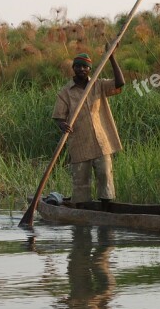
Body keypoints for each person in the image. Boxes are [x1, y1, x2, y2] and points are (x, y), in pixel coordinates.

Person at [52, 48, 125, 210]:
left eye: (85, 67)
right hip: (79, 143)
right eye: (78, 66)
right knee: (81, 184)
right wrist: (62, 124)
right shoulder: (65, 92)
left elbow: (120, 83)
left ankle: (106, 212)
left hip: (101, 142)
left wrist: (112, 58)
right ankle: (82, 216)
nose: (82, 69)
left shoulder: (98, 85)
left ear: (90, 69)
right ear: (74, 68)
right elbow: (58, 116)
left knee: (105, 177)